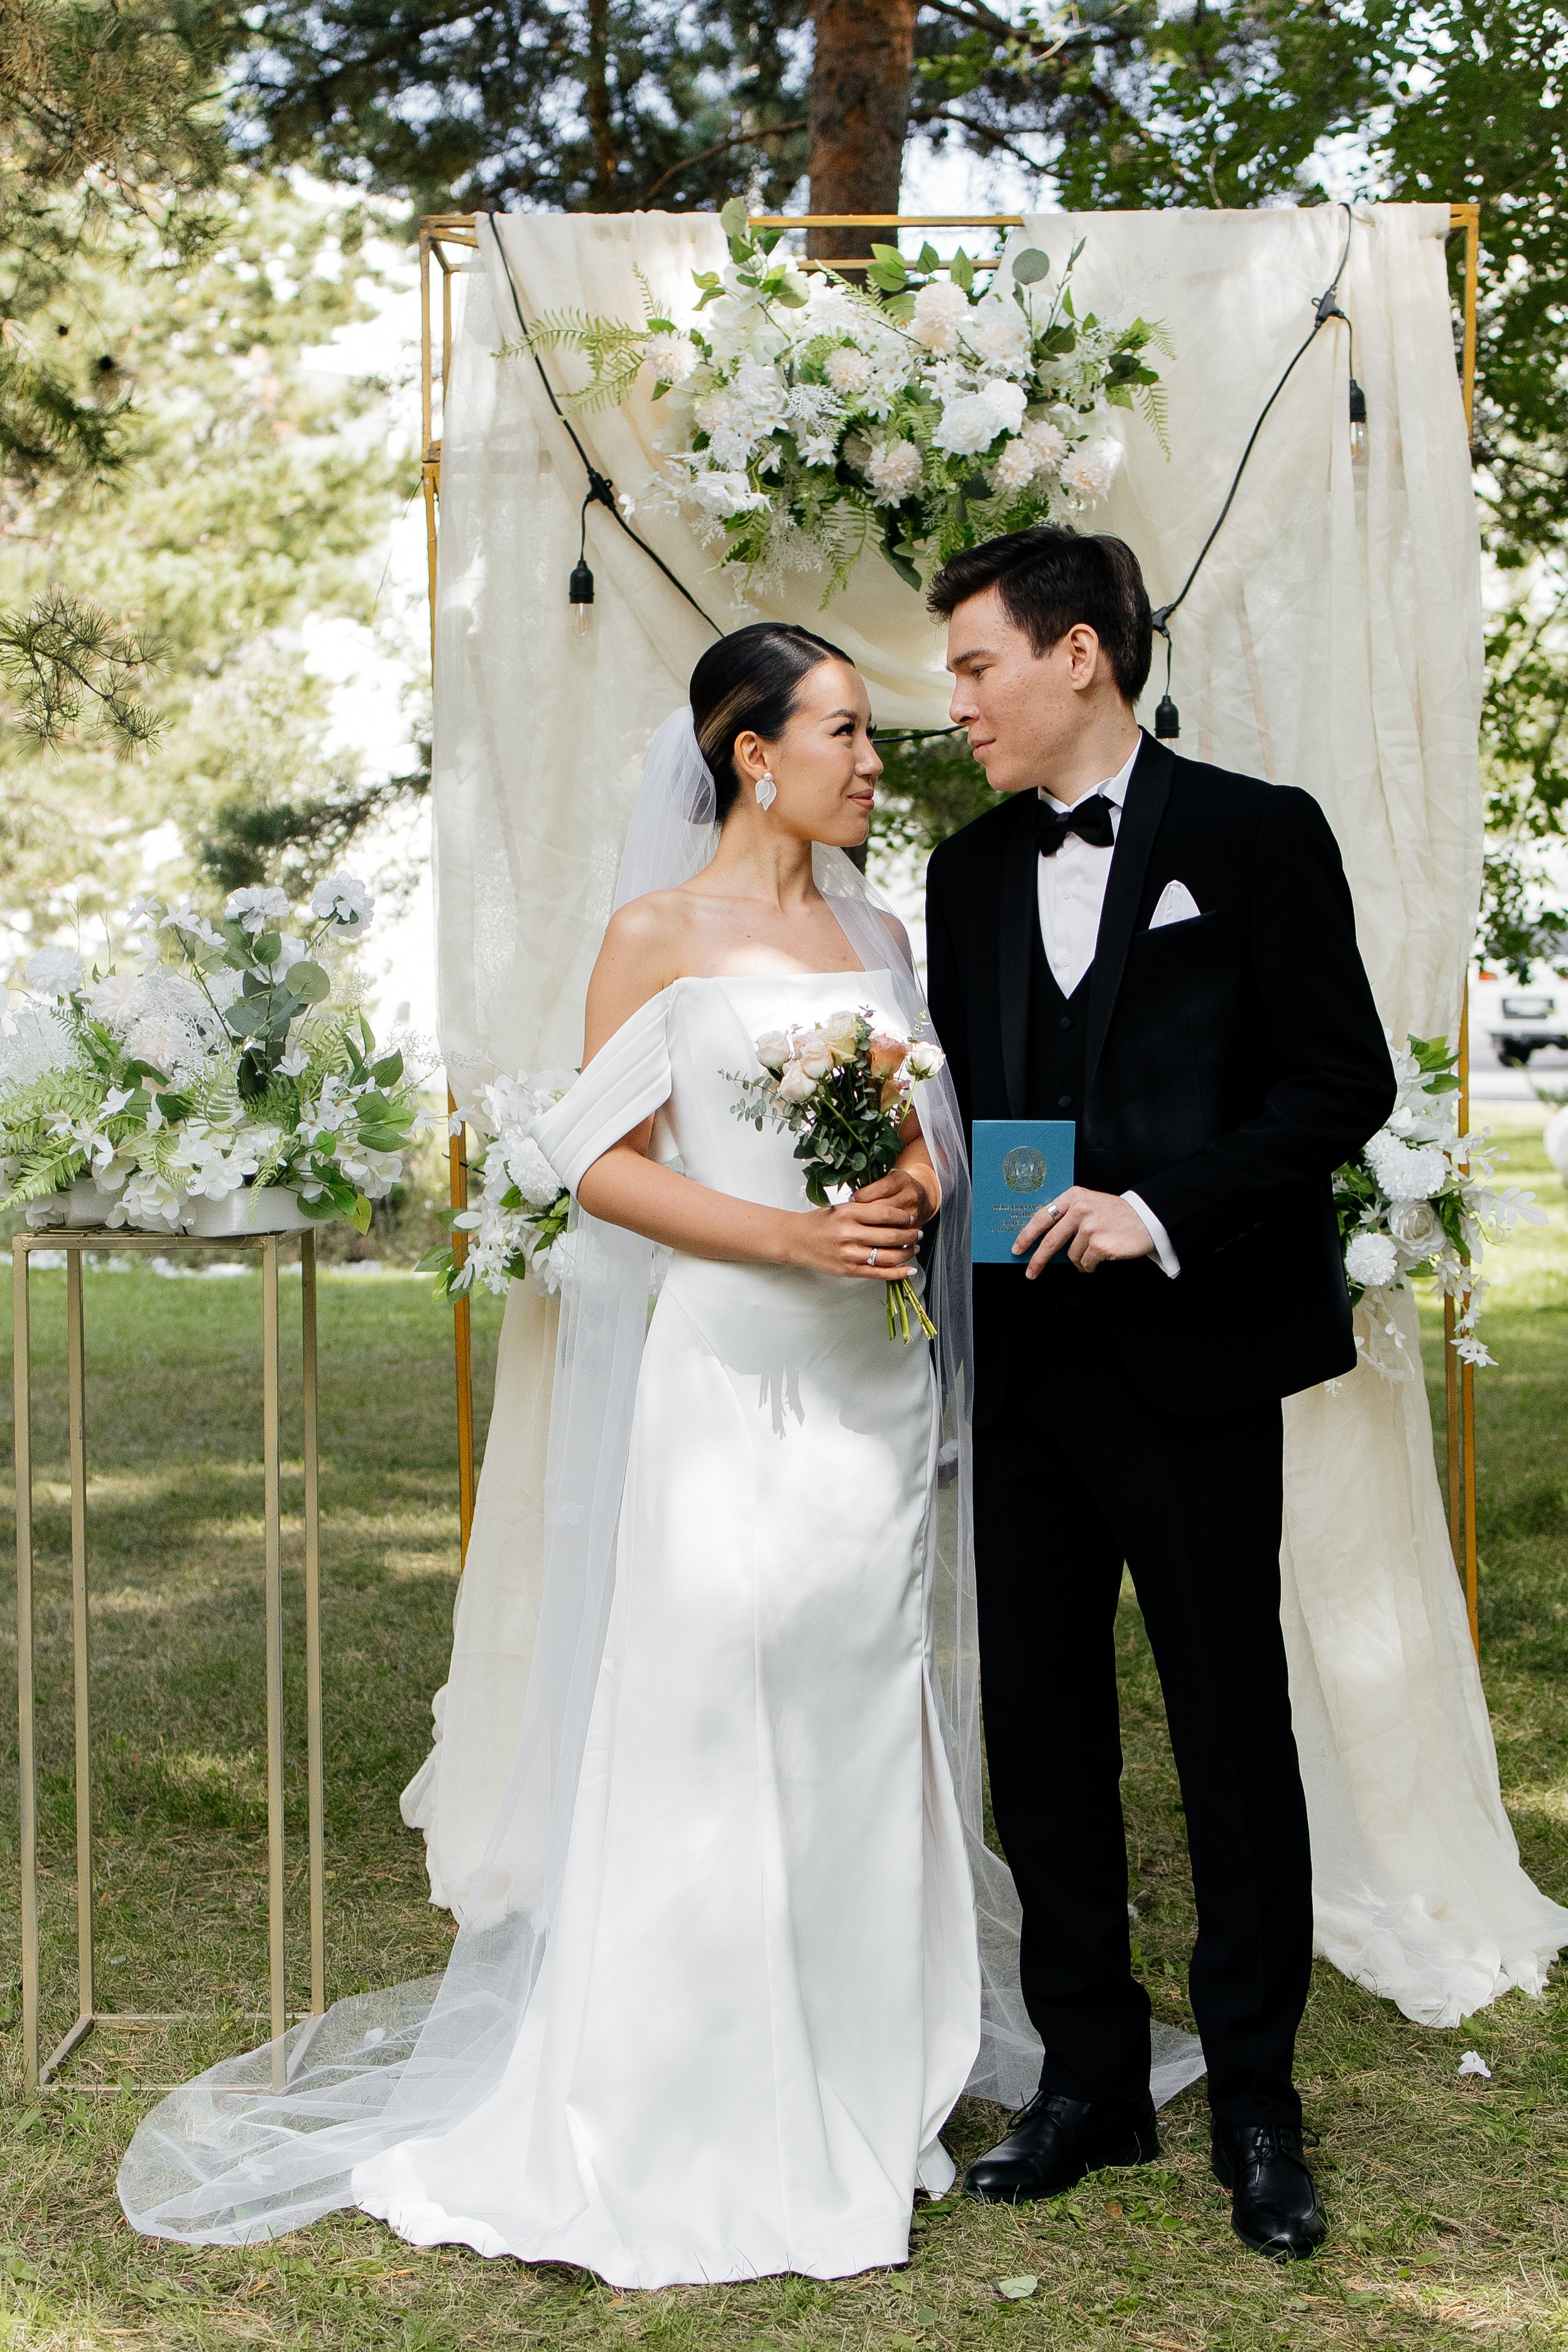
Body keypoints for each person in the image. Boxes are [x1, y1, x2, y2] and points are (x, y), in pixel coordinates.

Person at [119, 623, 1055, 2282]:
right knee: (712, 1700)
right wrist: (787, 1240)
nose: (871, 762)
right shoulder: (655, 935)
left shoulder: (878, 930)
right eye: (843, 732)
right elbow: (596, 1162)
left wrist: (909, 1188)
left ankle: (861, 2066)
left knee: (858, 1697)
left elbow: (929, 1126)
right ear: (753, 755)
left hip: (871, 1379)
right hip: (736, 1367)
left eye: (870, 734)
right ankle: (689, 2086)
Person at [923, 526, 1396, 2261]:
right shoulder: (965, 871)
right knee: (1042, 1731)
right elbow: (984, 1104)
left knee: (1226, 1726)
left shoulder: (1259, 836)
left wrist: (1160, 1209)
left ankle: (1258, 2096)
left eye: (977, 665)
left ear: (1081, 656)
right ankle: (1089, 2081)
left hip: (1195, 1364)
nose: (956, 702)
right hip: (1026, 1368)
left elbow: (1340, 1082)